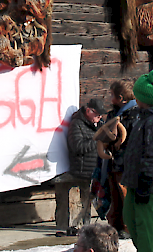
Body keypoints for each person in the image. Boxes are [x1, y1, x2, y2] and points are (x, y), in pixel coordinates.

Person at [121, 70, 153, 252]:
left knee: (147, 227)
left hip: (147, 184)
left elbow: (152, 155)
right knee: (131, 219)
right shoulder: (142, 118)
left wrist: (146, 182)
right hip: (135, 181)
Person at [56, 98, 105, 235]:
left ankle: (85, 227)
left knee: (87, 202)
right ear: (89, 111)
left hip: (93, 170)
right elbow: (77, 147)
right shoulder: (76, 124)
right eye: (98, 114)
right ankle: (71, 227)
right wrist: (97, 139)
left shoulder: (98, 123)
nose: (100, 117)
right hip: (81, 170)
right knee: (82, 201)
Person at [102, 80, 140, 239]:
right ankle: (114, 225)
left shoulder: (134, 114)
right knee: (114, 196)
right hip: (112, 162)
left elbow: (134, 138)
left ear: (121, 97)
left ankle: (128, 227)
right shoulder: (113, 114)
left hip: (126, 163)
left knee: (126, 197)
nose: (110, 98)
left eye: (112, 95)